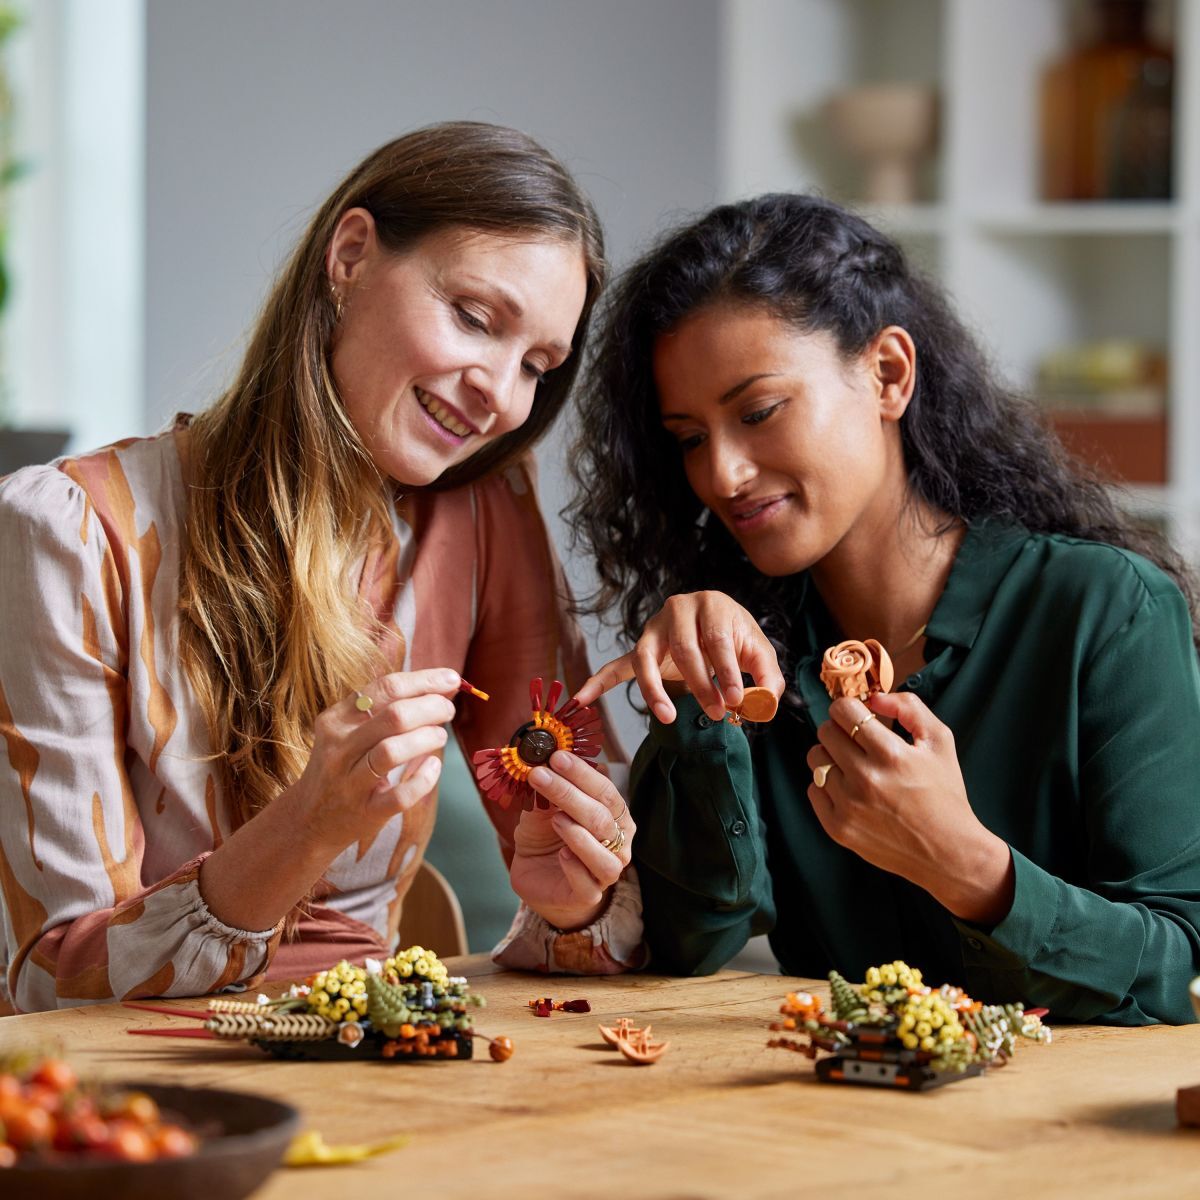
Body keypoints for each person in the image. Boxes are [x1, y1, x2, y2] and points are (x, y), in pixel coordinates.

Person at [0, 122, 640, 1014]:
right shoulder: (72, 533)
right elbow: (46, 982)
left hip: (386, 1067)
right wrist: (304, 828)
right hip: (153, 1103)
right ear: (349, 255)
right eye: (473, 318)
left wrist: (577, 902)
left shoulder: (485, 512)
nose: (500, 394)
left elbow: (588, 885)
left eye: (537, 364)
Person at [569, 192, 1200, 1024]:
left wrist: (969, 868)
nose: (721, 475)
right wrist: (704, 708)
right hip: (835, 1126)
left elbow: (1182, 971)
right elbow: (691, 945)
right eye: (689, 438)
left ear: (888, 374)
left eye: (759, 412)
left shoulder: (1104, 610)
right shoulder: (757, 650)